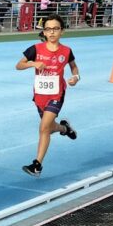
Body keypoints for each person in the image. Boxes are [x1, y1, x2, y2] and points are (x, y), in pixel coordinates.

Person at [15, 14, 79, 177]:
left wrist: (75, 78)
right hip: (39, 95)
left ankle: (37, 165)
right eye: (48, 29)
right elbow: (18, 65)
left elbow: (74, 68)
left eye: (55, 29)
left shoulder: (66, 51)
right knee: (49, 128)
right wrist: (33, 63)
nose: (52, 32)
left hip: (57, 94)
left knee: (43, 128)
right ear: (43, 32)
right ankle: (65, 128)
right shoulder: (35, 49)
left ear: (62, 31)